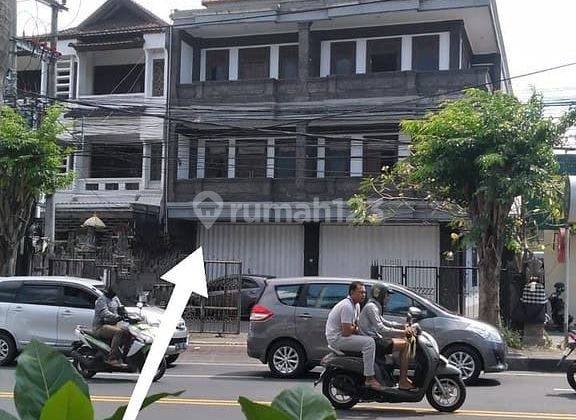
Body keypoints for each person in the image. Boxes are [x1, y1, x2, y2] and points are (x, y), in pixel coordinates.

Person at [325, 281, 384, 391]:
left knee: (372, 339)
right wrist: (356, 328)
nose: (363, 295)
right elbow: (347, 331)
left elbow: (356, 325)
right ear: (352, 292)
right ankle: (369, 378)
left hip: (342, 336)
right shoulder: (347, 306)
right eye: (360, 292)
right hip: (337, 339)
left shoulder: (356, 305)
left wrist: (356, 328)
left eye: (364, 293)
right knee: (369, 343)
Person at [358, 283, 416, 390]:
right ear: (380, 295)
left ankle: (390, 376)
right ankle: (403, 380)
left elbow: (384, 322)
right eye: (386, 295)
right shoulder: (372, 307)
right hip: (373, 341)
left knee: (401, 343)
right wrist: (404, 332)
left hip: (375, 338)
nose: (388, 298)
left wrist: (402, 326)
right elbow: (381, 328)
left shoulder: (374, 306)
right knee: (405, 345)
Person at [93, 285, 131, 367]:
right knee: (118, 332)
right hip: (100, 327)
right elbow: (104, 313)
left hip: (113, 325)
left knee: (129, 332)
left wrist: (129, 316)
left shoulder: (115, 299)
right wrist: (116, 317)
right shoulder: (101, 300)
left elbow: (121, 309)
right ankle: (112, 358)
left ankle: (124, 356)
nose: (115, 294)